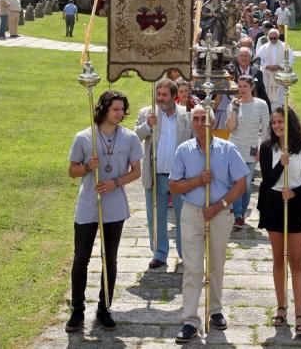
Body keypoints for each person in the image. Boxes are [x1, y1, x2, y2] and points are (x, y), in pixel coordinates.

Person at [170, 104, 248, 344]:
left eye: (204, 118)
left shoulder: (227, 149)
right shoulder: (184, 150)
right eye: (196, 119)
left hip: (219, 213)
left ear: (212, 123)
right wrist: (197, 181)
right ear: (192, 123)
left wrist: (220, 205)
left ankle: (215, 310)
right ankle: (190, 320)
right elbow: (174, 186)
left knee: (216, 264)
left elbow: (241, 184)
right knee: (193, 267)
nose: (200, 122)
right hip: (192, 213)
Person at [65, 90, 142, 333]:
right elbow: (72, 170)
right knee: (81, 258)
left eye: (122, 109)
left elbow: (136, 171)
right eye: (115, 109)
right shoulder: (84, 137)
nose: (120, 114)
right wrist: (88, 166)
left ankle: (104, 307)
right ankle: (77, 310)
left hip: (115, 206)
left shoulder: (130, 138)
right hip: (88, 204)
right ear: (103, 109)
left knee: (110, 258)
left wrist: (115, 183)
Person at [257, 106, 301, 337]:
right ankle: (281, 306)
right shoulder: (267, 148)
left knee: (296, 260)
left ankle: (300, 313)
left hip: (297, 203)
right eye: (273, 123)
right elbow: (267, 179)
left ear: (289, 123)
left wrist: (294, 193)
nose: (277, 127)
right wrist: (280, 164)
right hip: (273, 203)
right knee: (278, 258)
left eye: (280, 122)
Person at [135, 79, 191, 269]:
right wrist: (147, 126)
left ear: (174, 96)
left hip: (180, 177)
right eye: (158, 95)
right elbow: (134, 139)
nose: (160, 99)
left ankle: (186, 253)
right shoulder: (147, 113)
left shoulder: (187, 115)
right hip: (156, 175)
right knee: (156, 216)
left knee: (184, 216)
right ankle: (159, 253)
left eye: (164, 95)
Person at [225, 75, 269, 229]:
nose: (242, 89)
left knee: (247, 185)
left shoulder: (261, 105)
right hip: (234, 148)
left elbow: (265, 129)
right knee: (237, 182)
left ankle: (241, 212)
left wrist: (262, 149)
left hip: (251, 149)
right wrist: (235, 110)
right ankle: (238, 215)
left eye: (245, 86)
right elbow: (230, 128)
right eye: (240, 86)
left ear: (251, 87)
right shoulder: (233, 105)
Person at [256, 29, 294, 110]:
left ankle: (280, 110)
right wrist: (266, 66)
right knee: (267, 94)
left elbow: (290, 59)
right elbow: (258, 59)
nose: (273, 40)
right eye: (271, 38)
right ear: (268, 37)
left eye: (275, 38)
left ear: (278, 37)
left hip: (280, 75)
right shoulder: (263, 48)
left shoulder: (285, 47)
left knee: (280, 96)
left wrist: (280, 66)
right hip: (267, 75)